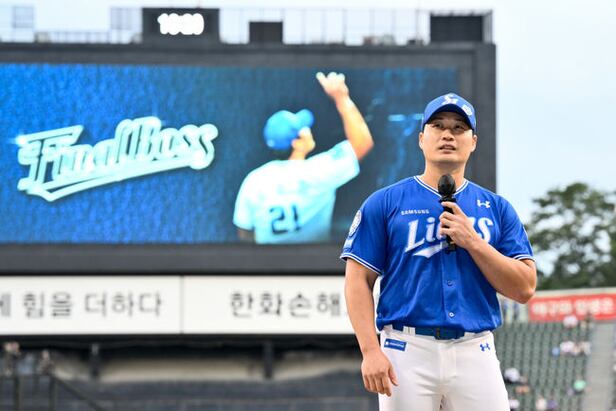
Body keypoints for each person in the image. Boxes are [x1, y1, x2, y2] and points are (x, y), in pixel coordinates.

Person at [342, 92, 537, 411]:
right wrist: (370, 350)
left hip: (475, 347)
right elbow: (357, 280)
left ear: (473, 142)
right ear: (421, 138)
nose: (448, 134)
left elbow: (524, 287)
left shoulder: (497, 208)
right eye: (438, 126)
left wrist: (474, 242)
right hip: (406, 347)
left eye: (459, 127)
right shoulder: (385, 202)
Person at [233, 71, 374, 244]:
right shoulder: (318, 170)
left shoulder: (253, 180)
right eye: (303, 128)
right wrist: (341, 97)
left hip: (268, 259)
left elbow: (244, 232)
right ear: (297, 142)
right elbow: (362, 143)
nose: (308, 130)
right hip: (314, 258)